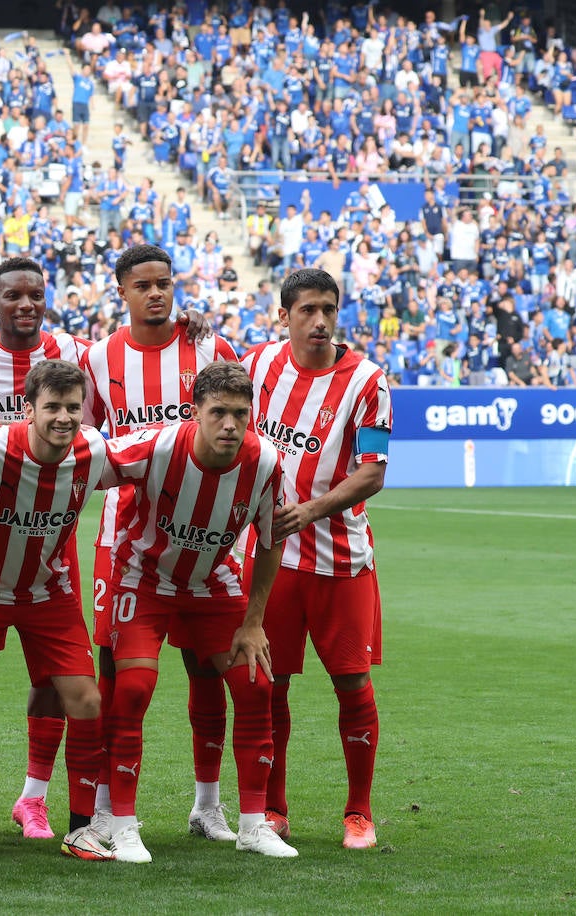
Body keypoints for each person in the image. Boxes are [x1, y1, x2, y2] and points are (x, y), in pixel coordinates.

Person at [80, 245, 241, 846]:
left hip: (204, 536)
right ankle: (106, 808)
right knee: (116, 672)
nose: (157, 294)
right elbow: (84, 438)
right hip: (125, 536)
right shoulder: (97, 357)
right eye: (143, 284)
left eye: (165, 284)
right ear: (121, 290)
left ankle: (208, 805)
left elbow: (235, 419)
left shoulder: (210, 349)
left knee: (207, 667)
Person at [102, 362, 295, 863]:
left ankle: (253, 824)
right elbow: (87, 464)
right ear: (195, 412)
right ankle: (120, 823)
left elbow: (270, 541)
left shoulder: (266, 461)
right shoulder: (156, 445)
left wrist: (253, 621)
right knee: (134, 688)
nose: (230, 424)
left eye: (239, 414)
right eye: (218, 413)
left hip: (213, 581)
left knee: (255, 684)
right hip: (143, 578)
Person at [0, 360, 116, 864]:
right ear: (28, 409)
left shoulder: (92, 451)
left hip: (47, 594)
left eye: (72, 408)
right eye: (51, 407)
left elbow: (153, 452)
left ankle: (81, 829)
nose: (63, 417)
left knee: (86, 700)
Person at [241, 268, 393, 850]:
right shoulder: (258, 367)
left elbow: (372, 472)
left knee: (352, 683)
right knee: (270, 685)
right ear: (285, 316)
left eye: (329, 308)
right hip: (270, 560)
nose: (321, 320)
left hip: (340, 559)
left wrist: (310, 510)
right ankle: (273, 809)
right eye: (307, 309)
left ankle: (359, 811)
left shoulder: (369, 382)